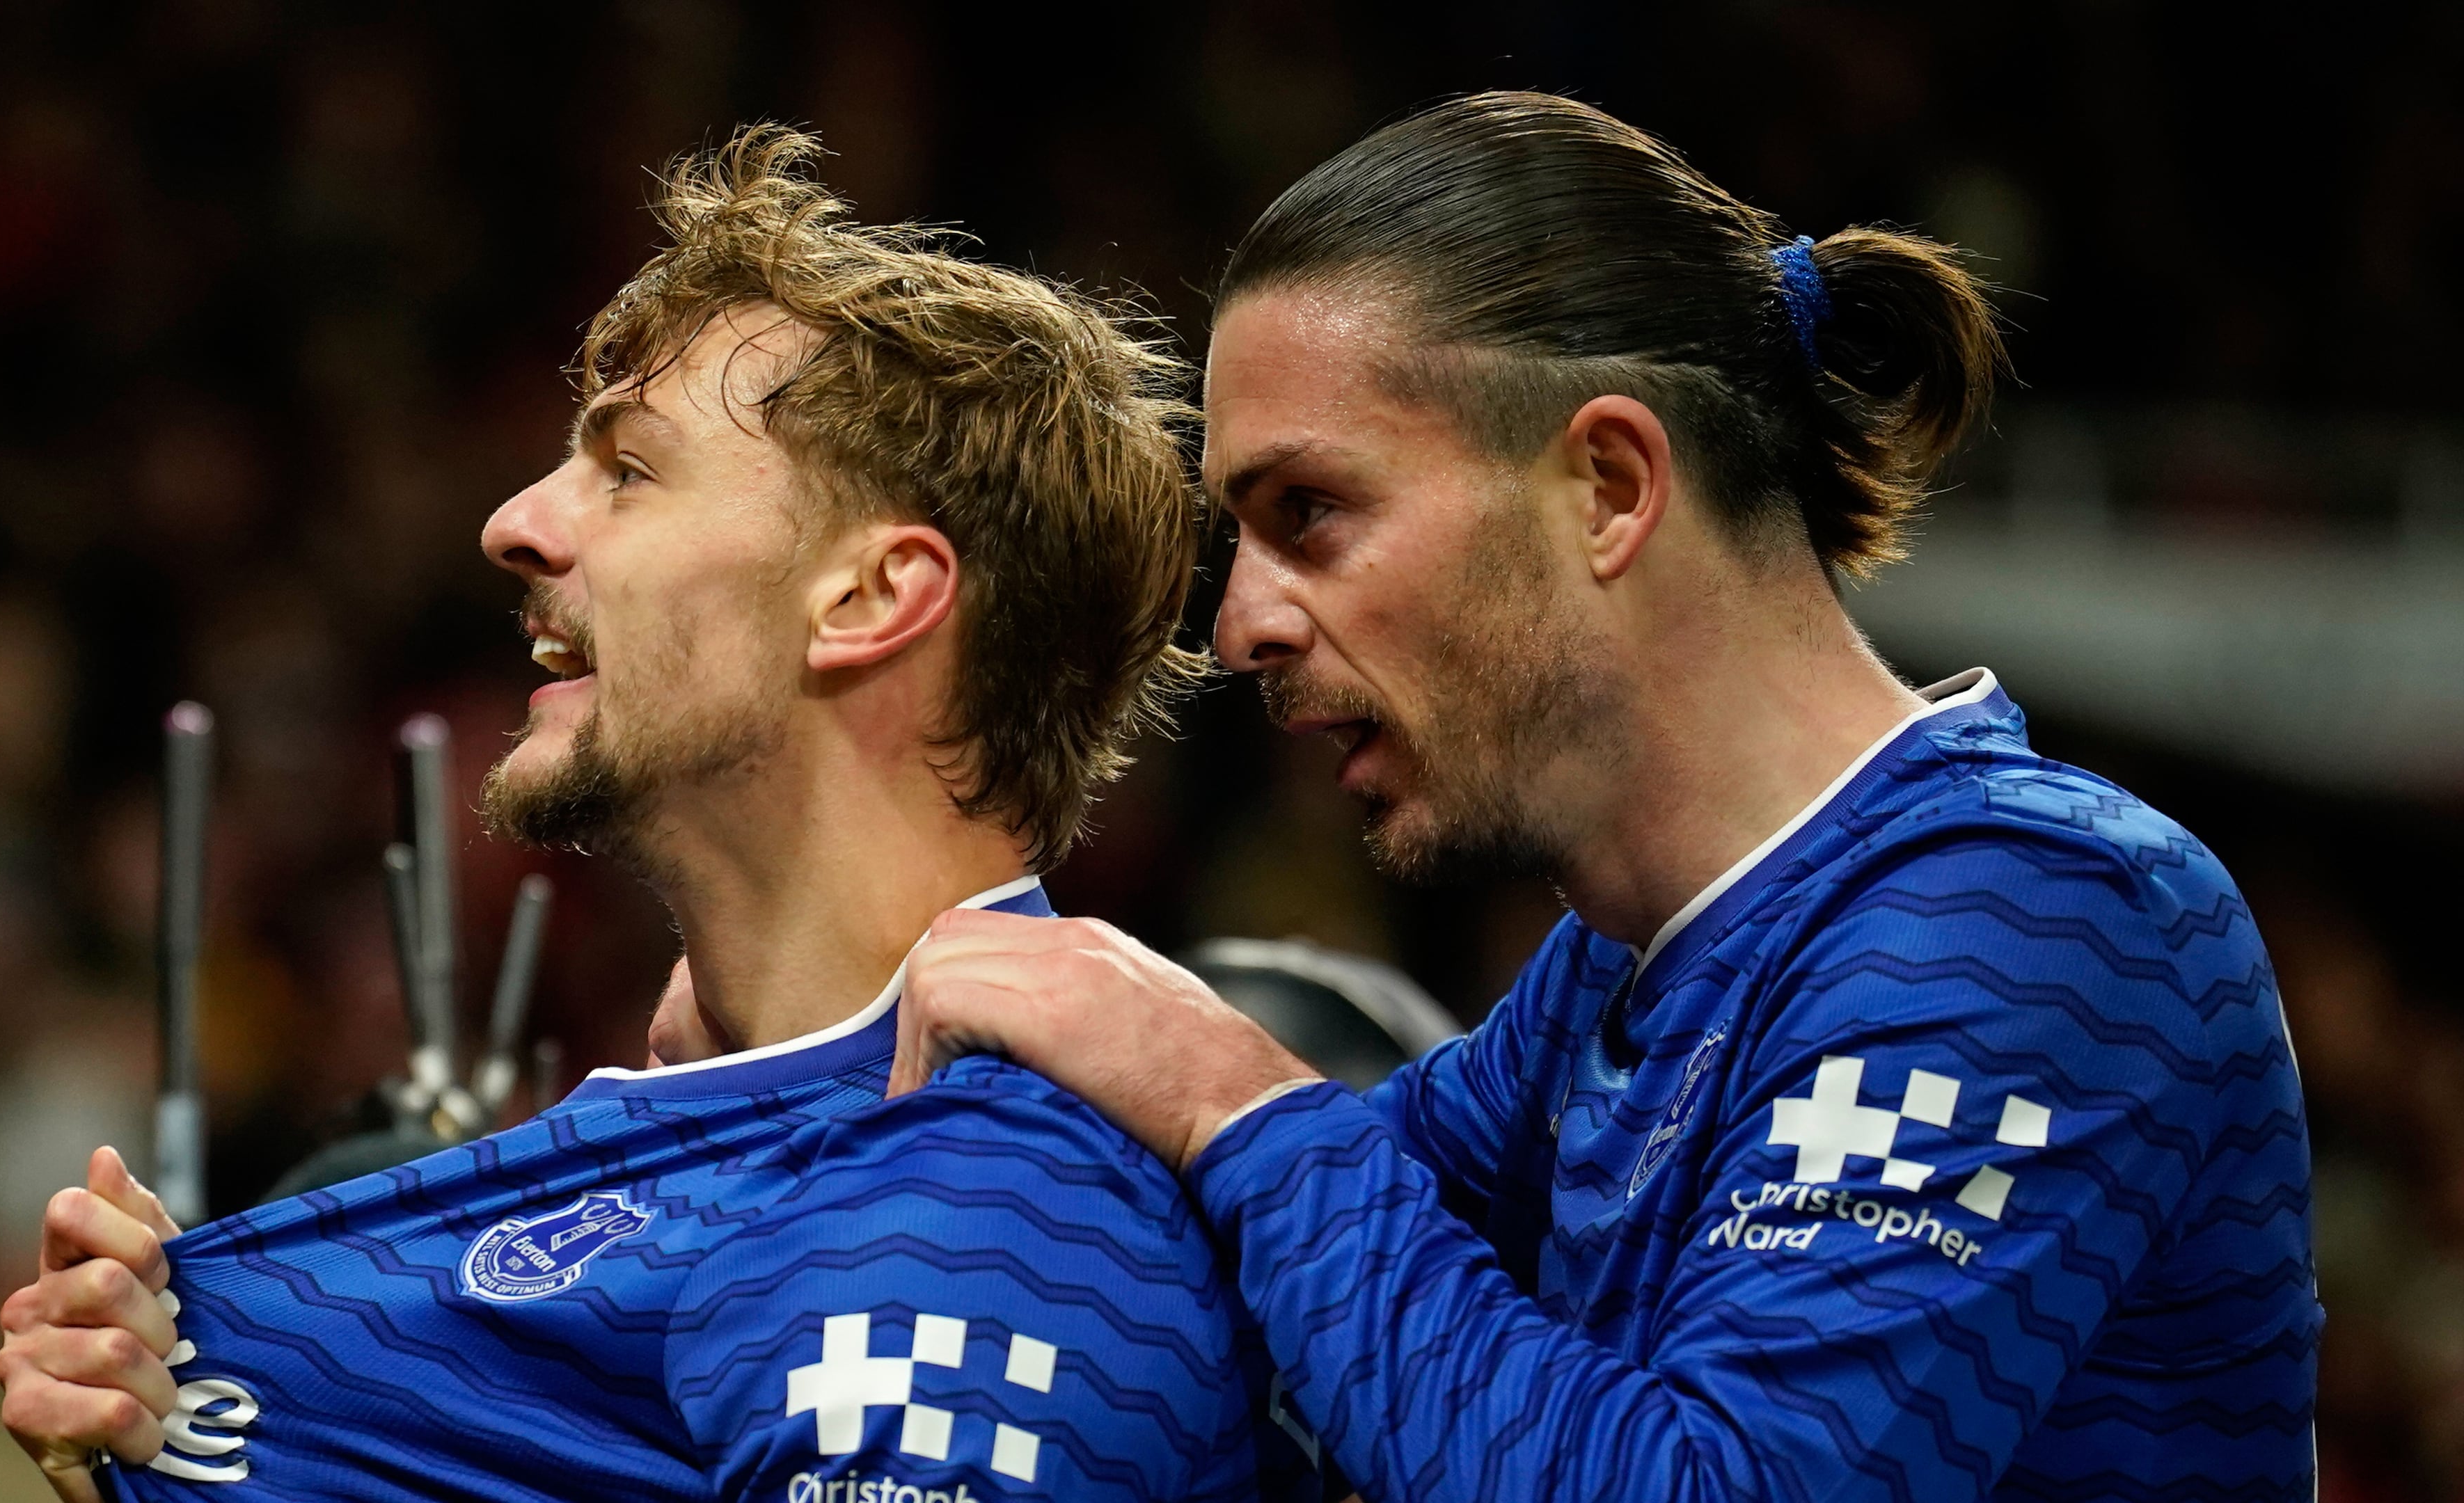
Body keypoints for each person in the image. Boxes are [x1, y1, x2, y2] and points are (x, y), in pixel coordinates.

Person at [890, 93, 2319, 1501]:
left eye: (1309, 513)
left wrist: (1226, 1093)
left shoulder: (2042, 919)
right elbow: (1216, 1271)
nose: (1241, 624)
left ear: (1611, 486)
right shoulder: (1618, 972)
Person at [0, 127, 1319, 1503]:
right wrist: (190, 1445)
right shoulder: (696, 1176)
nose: (516, 523)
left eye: (629, 470)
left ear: (869, 597)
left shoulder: (1003, 1223)